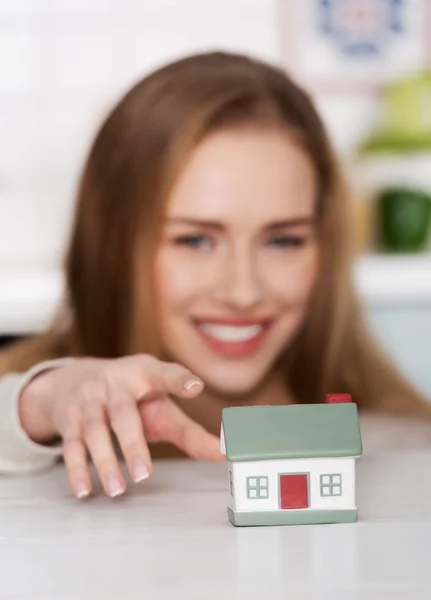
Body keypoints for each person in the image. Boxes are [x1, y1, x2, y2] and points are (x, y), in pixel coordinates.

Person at [0, 51, 429, 500]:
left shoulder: (401, 447)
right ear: (112, 246)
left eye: (283, 241)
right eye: (194, 241)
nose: (243, 292)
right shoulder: (34, 421)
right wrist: (39, 405)